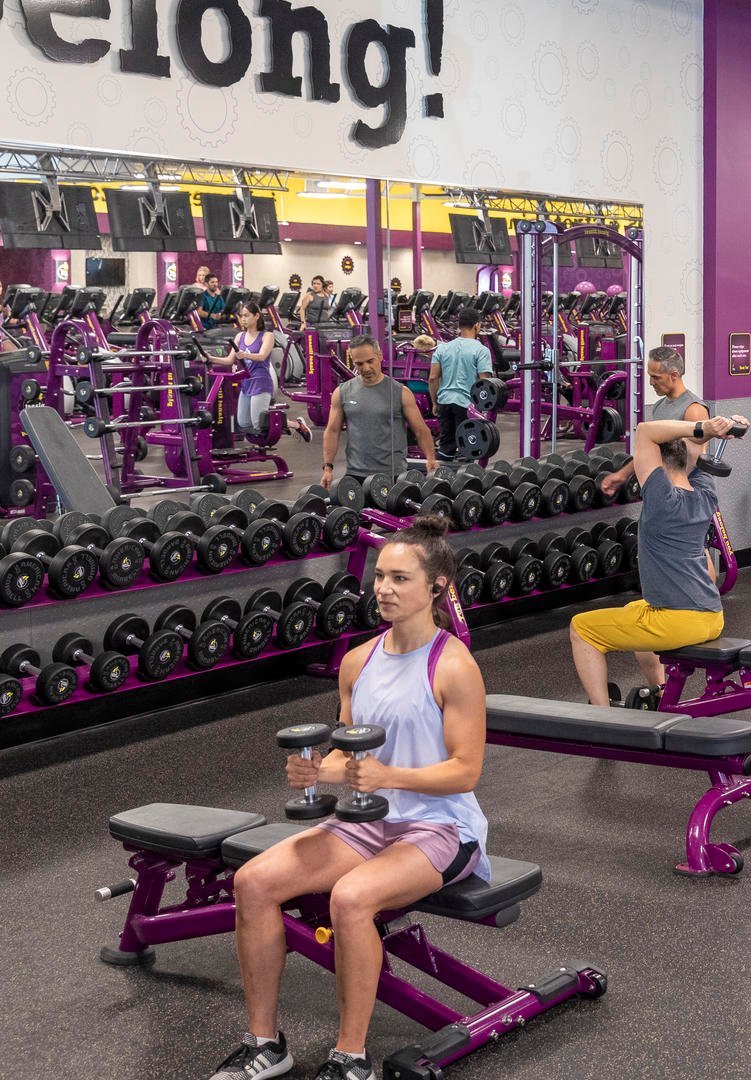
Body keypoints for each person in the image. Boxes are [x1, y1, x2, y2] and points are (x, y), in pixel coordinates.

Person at [212, 516, 487, 1080]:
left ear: (437, 586)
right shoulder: (358, 662)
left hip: (439, 826)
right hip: (367, 820)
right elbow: (349, 753)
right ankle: (265, 1043)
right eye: (380, 576)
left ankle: (350, 1057)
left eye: (400, 579)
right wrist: (319, 769)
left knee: (351, 899)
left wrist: (388, 777)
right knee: (253, 882)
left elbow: (466, 771)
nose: (383, 589)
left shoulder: (454, 666)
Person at [569, 414, 747, 707]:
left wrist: (704, 428)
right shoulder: (705, 494)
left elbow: (645, 431)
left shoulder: (661, 499)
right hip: (711, 615)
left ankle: (601, 716)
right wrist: (716, 432)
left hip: (679, 621)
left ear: (658, 463)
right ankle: (662, 694)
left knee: (582, 628)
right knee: (635, 610)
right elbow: (695, 451)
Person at [322, 335, 438, 488]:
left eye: (370, 361)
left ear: (380, 356)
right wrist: (328, 467)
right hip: (355, 474)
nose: (366, 368)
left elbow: (421, 430)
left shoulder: (401, 392)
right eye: (359, 364)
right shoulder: (342, 392)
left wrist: (430, 458)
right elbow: (332, 431)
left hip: (393, 474)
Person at [221, 301, 311, 442]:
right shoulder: (239, 336)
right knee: (244, 423)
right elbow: (228, 360)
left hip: (261, 382)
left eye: (246, 315)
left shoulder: (267, 336)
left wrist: (245, 355)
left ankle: (296, 424)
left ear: (257, 316)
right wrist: (208, 358)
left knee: (258, 424)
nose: (243, 319)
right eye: (241, 316)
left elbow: (262, 356)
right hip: (246, 383)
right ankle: (281, 428)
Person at [427, 308, 493, 458]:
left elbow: (433, 378)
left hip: (444, 403)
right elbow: (485, 381)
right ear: (477, 325)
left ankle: (441, 471)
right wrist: (484, 409)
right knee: (468, 448)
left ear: (459, 325)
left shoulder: (442, 348)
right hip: (467, 405)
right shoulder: (481, 350)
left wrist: (435, 402)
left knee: (445, 447)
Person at [646, 345, 711, 426]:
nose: (651, 382)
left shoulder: (694, 410)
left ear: (674, 376)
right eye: (650, 376)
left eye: (656, 377)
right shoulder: (658, 406)